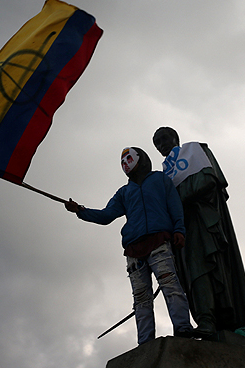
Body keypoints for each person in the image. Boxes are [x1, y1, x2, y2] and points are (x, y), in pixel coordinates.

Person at [64, 147, 194, 345]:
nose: (125, 163)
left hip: (159, 241)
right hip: (134, 250)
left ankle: (183, 329)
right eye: (122, 160)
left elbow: (175, 206)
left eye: (128, 158)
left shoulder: (160, 180)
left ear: (141, 159)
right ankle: (146, 343)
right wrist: (80, 210)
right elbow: (106, 215)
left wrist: (179, 230)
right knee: (141, 298)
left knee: (170, 286)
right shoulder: (124, 193)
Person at [152, 127, 245, 337]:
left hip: (205, 222)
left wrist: (175, 200)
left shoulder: (194, 151)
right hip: (183, 229)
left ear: (175, 138)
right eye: (157, 143)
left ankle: (217, 319)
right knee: (192, 274)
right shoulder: (164, 174)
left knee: (210, 269)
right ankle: (205, 319)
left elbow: (209, 179)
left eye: (164, 139)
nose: (161, 144)